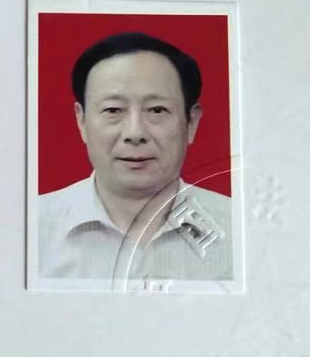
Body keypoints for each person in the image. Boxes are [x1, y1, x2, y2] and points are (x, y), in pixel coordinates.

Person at [37, 31, 232, 283]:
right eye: (113, 110)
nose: (135, 133)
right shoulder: (29, 229)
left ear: (191, 122)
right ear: (81, 121)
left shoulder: (240, 229)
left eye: (157, 110)